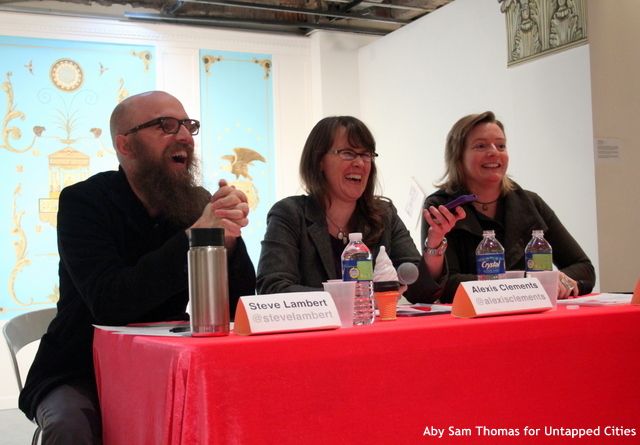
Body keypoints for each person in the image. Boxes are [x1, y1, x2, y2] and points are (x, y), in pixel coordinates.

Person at [19, 91, 256, 444]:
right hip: (78, 368)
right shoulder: (83, 201)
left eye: (188, 126)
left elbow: (238, 305)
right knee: (70, 426)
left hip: (170, 367)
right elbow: (110, 302)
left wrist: (228, 242)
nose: (184, 136)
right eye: (165, 125)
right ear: (125, 145)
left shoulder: (195, 203)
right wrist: (198, 236)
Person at [256, 116, 463, 301]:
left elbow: (421, 292)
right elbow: (273, 289)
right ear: (319, 161)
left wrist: (434, 243)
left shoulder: (384, 215)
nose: (360, 163)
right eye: (348, 153)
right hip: (313, 339)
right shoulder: (289, 214)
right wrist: (354, 296)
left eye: (366, 155)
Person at [418, 111, 595, 303]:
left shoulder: (530, 202)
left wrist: (559, 279)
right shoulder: (441, 207)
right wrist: (528, 284)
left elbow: (583, 267)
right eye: (481, 146)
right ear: (458, 156)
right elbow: (446, 285)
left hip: (532, 316)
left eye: (501, 145)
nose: (494, 152)